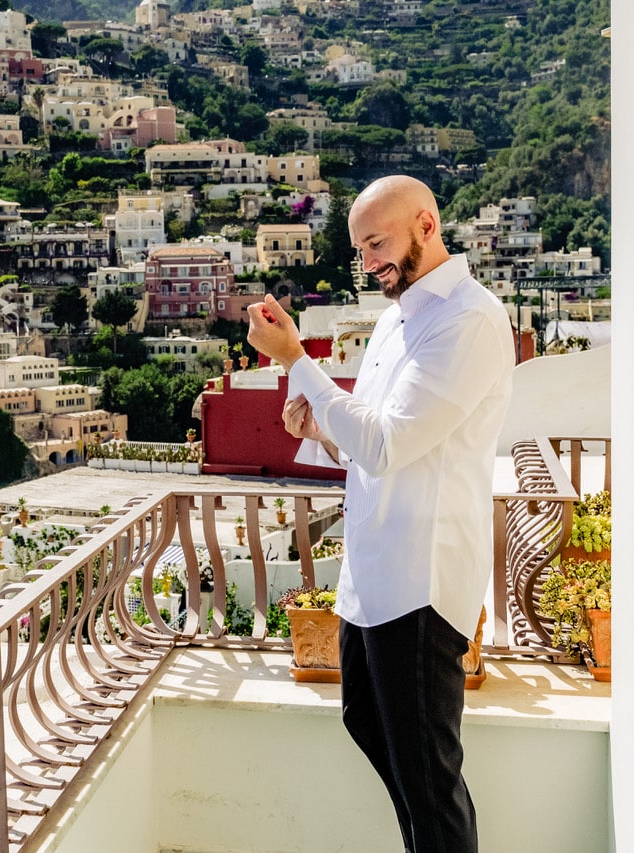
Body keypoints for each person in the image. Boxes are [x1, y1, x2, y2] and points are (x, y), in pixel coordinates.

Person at [245, 175, 514, 853]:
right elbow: (370, 438)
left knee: (429, 781)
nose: (367, 261)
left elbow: (387, 444)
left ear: (426, 224)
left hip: (419, 584)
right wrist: (315, 429)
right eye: (359, 248)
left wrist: (298, 363)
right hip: (372, 577)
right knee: (368, 723)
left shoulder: (470, 319)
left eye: (377, 242)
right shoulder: (397, 319)